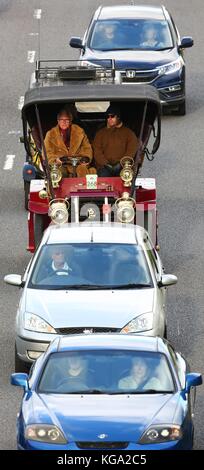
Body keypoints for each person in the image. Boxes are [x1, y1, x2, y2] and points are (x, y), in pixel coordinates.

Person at [44, 107, 96, 177]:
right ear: (58, 121)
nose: (64, 122)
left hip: (78, 163)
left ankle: (83, 187)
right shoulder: (50, 134)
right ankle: (60, 188)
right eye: (61, 120)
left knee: (82, 170)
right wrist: (55, 160)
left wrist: (85, 159)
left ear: (70, 121)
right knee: (60, 173)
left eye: (66, 120)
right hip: (60, 164)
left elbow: (87, 148)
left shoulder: (79, 131)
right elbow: (47, 152)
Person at [93, 105, 139, 176]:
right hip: (104, 167)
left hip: (123, 166)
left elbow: (131, 151)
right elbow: (97, 152)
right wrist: (106, 164)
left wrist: (121, 164)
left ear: (118, 117)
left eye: (112, 116)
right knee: (103, 179)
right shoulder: (100, 133)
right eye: (107, 117)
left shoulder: (129, 133)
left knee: (126, 180)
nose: (109, 119)